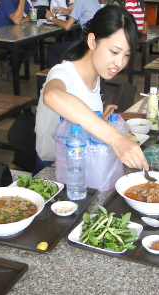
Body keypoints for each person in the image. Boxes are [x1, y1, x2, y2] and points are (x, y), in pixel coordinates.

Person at [36, 5, 148, 173]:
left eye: (126, 55)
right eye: (114, 52)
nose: (120, 63)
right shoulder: (63, 73)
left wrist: (98, 118)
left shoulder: (96, 76)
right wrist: (114, 138)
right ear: (92, 41)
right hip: (52, 172)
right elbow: (52, 95)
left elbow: (75, 120)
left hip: (83, 167)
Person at [45, 0, 102, 68]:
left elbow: (67, 26)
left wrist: (52, 18)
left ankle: (52, 76)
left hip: (87, 44)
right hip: (97, 41)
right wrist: (63, 10)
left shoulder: (81, 1)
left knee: (53, 48)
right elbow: (78, 13)